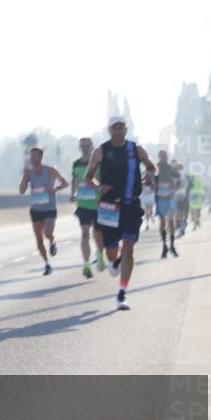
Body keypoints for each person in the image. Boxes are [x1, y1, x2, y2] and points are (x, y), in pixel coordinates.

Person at [83, 116, 156, 310]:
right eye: (114, 128)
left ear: (126, 129)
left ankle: (122, 293)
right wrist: (98, 187)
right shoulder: (100, 151)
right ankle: (114, 261)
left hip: (131, 205)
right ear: (109, 130)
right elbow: (88, 178)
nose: (118, 130)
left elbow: (151, 167)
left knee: (129, 247)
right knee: (111, 251)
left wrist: (150, 176)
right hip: (109, 206)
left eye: (121, 127)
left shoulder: (136, 150)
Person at [20, 147, 68, 275]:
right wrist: (24, 176)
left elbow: (65, 183)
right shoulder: (29, 172)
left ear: (41, 157)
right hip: (36, 209)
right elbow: (21, 191)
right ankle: (47, 264)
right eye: (31, 156)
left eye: (35, 155)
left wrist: (55, 189)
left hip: (50, 208)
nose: (32, 158)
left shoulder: (50, 170)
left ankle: (52, 240)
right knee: (39, 239)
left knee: (47, 233)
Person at [71, 138, 105, 277]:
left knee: (98, 234)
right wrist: (73, 194)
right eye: (82, 146)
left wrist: (97, 187)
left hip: (97, 204)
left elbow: (104, 181)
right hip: (82, 204)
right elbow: (74, 179)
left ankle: (100, 254)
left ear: (92, 147)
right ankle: (86, 264)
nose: (84, 148)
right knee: (85, 233)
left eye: (87, 146)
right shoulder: (76, 163)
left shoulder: (99, 163)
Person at [154, 150, 180, 258]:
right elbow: (150, 182)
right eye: (161, 156)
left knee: (171, 221)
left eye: (164, 156)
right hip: (160, 199)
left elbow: (179, 180)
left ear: (167, 157)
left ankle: (172, 246)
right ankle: (164, 246)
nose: (163, 158)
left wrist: (174, 187)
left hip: (170, 198)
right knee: (162, 222)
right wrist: (155, 186)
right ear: (159, 157)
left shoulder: (171, 168)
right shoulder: (155, 168)